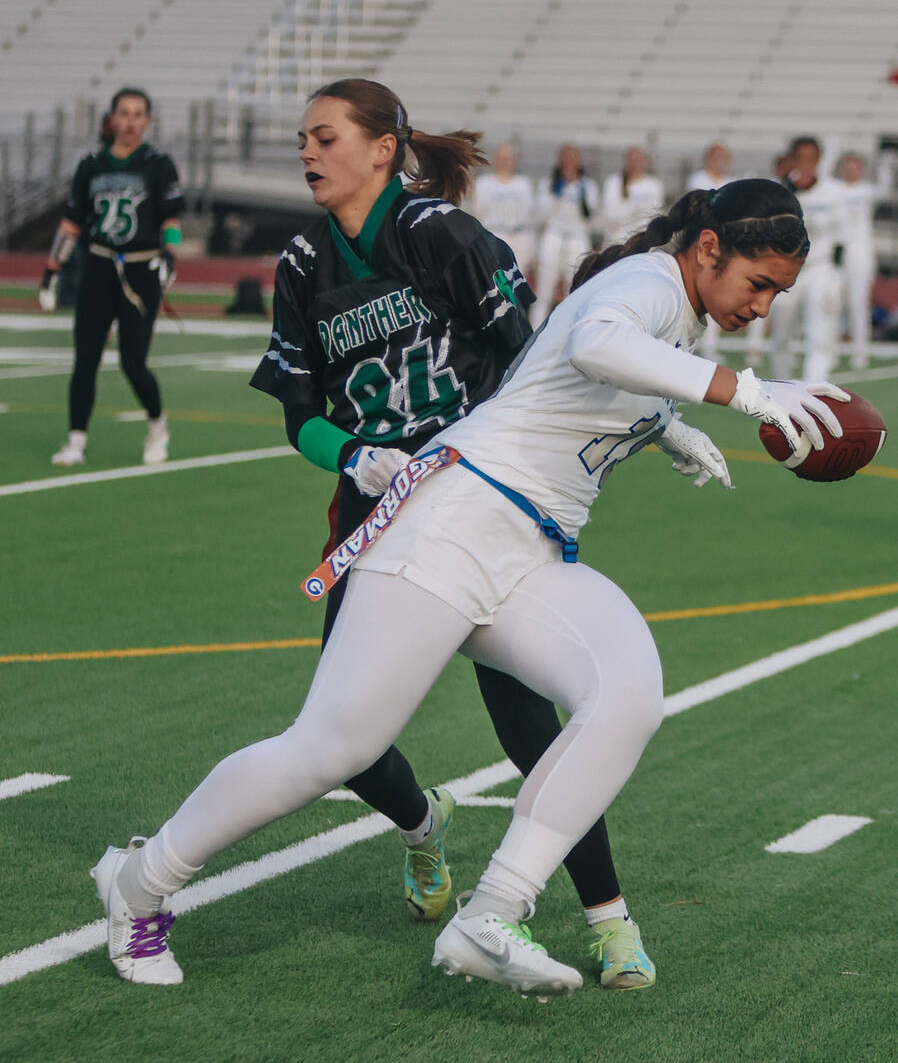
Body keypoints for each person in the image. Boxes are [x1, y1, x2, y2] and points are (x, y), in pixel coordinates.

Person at [92, 176, 849, 997]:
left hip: (525, 544)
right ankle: (137, 884)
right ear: (709, 247)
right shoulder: (650, 284)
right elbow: (597, 341)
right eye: (760, 283)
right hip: (453, 525)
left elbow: (577, 378)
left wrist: (670, 427)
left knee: (627, 694)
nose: (763, 307)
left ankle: (491, 913)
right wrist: (745, 391)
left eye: (778, 292)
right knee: (330, 748)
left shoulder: (673, 302)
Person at [248, 79, 650, 985]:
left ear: (383, 147)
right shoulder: (306, 260)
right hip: (375, 517)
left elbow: (537, 366)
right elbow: (298, 412)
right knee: (339, 736)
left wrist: (640, 424)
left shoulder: (446, 236)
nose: (307, 153)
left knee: (530, 725)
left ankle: (609, 918)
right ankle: (423, 823)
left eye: (324, 137)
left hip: (480, 507)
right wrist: (354, 456)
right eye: (302, 139)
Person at [41, 87, 184, 466]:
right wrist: (52, 269)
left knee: (132, 362)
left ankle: (157, 425)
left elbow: (171, 219)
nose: (131, 121)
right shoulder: (91, 165)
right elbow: (72, 223)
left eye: (139, 114)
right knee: (85, 357)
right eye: (125, 112)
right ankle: (76, 439)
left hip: (141, 269)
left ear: (148, 121)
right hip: (99, 266)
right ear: (112, 118)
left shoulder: (158, 164)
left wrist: (170, 253)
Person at [769, 135, 848, 381]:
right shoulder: (779, 189)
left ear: (819, 160)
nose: (805, 164)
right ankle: (781, 387)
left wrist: (836, 277)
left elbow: (842, 238)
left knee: (820, 334)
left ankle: (815, 388)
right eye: (800, 159)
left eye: (811, 159)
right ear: (792, 160)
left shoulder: (834, 191)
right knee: (781, 335)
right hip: (787, 270)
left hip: (820, 267)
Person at [530, 144, 599, 327]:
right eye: (565, 157)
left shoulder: (587, 185)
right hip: (553, 236)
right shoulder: (548, 184)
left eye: (573, 157)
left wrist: (581, 196)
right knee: (545, 287)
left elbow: (591, 216)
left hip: (576, 237)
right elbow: (541, 215)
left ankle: (571, 329)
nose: (569, 162)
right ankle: (535, 330)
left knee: (575, 287)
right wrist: (557, 192)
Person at [686, 144, 734, 363]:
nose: (720, 160)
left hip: (722, 243)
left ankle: (711, 345)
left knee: (716, 294)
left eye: (723, 156)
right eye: (716, 156)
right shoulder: (697, 180)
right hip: (701, 241)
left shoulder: (731, 183)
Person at [835, 151, 881, 368]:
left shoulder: (868, 190)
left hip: (861, 252)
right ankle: (830, 349)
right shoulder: (834, 189)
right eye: (848, 166)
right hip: (837, 251)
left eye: (856, 166)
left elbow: (886, 187)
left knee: (858, 303)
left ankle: (860, 352)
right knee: (834, 303)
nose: (852, 170)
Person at [473, 143, 537, 280]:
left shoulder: (523, 183)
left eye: (508, 158)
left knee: (517, 278)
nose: (504, 162)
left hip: (519, 236)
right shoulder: (484, 183)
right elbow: (479, 211)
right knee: (494, 277)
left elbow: (529, 214)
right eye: (501, 158)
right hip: (495, 234)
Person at [600, 146, 665, 249]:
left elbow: (656, 213)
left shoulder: (654, 185)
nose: (636, 163)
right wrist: (632, 210)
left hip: (644, 240)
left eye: (639, 160)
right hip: (618, 239)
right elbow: (609, 213)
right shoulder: (613, 182)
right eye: (632, 159)